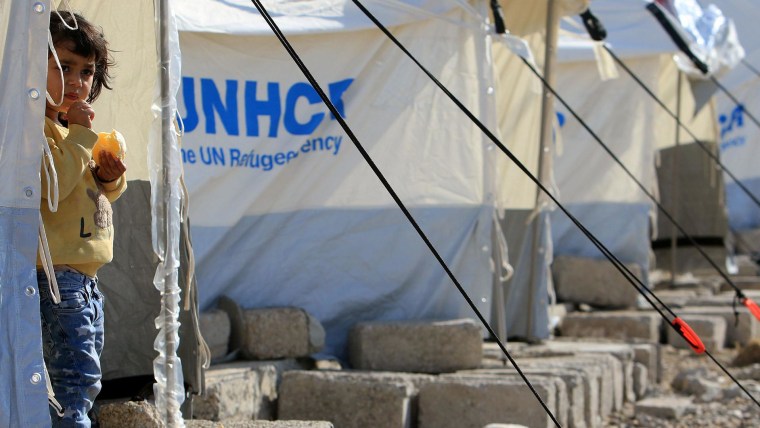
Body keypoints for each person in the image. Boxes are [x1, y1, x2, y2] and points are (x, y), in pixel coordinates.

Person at [38, 11, 126, 427]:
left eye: (87, 71)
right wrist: (79, 137)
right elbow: (50, 186)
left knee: (83, 380)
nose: (76, 81)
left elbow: (89, 191)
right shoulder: (36, 131)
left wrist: (109, 179)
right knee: (75, 381)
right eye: (63, 67)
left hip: (86, 281)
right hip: (57, 279)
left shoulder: (70, 132)